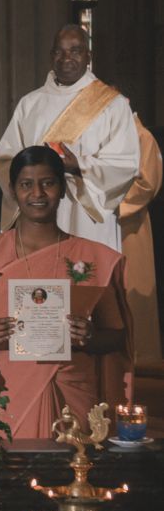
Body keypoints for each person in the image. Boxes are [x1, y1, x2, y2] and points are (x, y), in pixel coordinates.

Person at [0, 146, 130, 511]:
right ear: (13, 191)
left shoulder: (94, 258)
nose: (37, 193)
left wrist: (90, 336)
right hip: (9, 397)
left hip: (71, 399)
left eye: (47, 182)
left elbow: (117, 337)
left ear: (62, 189)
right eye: (27, 184)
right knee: (12, 506)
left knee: (70, 506)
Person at [0, 25, 139, 251]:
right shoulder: (30, 104)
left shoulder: (112, 104)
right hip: (37, 208)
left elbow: (125, 163)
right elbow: (4, 159)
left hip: (85, 213)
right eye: (59, 51)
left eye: (75, 50)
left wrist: (79, 165)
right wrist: (34, 177)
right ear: (51, 56)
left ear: (88, 56)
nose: (66, 58)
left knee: (84, 275)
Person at [117, 115, 162, 360]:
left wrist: (104, 205)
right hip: (93, 221)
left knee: (131, 292)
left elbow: (147, 182)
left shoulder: (140, 135)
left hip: (127, 225)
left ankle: (140, 362)